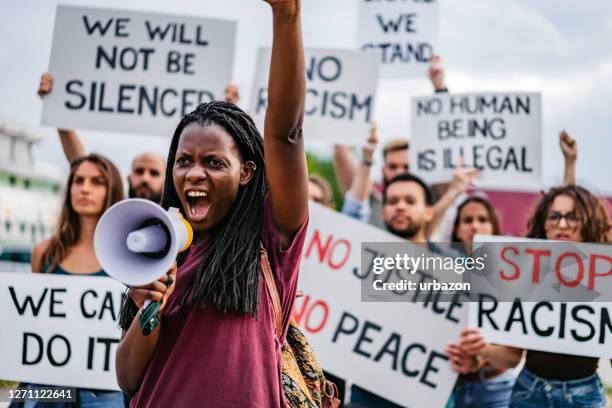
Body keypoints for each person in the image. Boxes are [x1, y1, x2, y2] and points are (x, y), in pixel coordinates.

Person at [115, 1, 308, 407]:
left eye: (214, 163)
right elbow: (129, 379)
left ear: (247, 172)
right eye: (183, 161)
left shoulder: (270, 242)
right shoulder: (156, 251)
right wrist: (148, 308)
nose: (194, 174)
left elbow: (286, 134)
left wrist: (286, 16)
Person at [450, 184, 611, 408]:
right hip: (528, 393)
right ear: (543, 224)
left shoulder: (605, 275)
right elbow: (512, 357)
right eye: (554, 216)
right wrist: (482, 349)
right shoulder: (525, 272)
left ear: (588, 222)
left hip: (584, 396)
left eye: (572, 216)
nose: (562, 224)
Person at [20, 154, 125, 407]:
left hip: (103, 391)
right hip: (45, 388)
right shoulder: (45, 252)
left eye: (97, 181)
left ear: (112, 189)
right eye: (78, 180)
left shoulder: (126, 257)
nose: (85, 188)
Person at [38, 73, 170, 203]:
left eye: (154, 173)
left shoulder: (178, 219)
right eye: (139, 171)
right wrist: (56, 105)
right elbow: (79, 161)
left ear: (167, 181)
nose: (145, 178)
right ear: (129, 178)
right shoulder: (113, 212)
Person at [445, 196, 516, 408]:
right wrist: (454, 190)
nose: (475, 226)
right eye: (467, 220)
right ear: (457, 230)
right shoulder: (442, 269)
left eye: (482, 219)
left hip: (495, 387)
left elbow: (513, 353)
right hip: (451, 388)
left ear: (493, 227)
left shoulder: (511, 274)